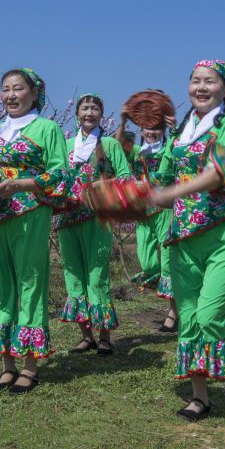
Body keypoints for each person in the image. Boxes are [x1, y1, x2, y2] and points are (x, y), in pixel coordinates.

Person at [149, 60, 225, 421]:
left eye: (210, 81)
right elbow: (161, 176)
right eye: (195, 81)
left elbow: (220, 173)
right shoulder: (178, 135)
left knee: (209, 314)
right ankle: (200, 396)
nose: (201, 87)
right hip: (183, 236)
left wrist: (172, 191)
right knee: (189, 317)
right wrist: (127, 196)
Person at [0, 68, 69, 394]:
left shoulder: (47, 129)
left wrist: (21, 183)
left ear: (34, 93)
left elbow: (61, 174)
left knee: (31, 283)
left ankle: (30, 365)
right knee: (2, 286)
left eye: (18, 88)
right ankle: (7, 364)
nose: (11, 95)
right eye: (5, 89)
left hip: (31, 211)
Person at [56, 93, 131, 356]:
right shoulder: (65, 145)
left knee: (97, 277)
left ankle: (104, 336)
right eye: (84, 108)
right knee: (73, 276)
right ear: (77, 113)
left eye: (94, 109)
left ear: (101, 114)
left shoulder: (110, 144)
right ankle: (85, 335)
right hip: (67, 218)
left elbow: (124, 177)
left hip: (97, 219)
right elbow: (54, 176)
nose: (89, 113)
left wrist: (98, 188)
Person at [117, 107, 178, 333]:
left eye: (156, 128)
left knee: (168, 262)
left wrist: (173, 129)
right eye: (147, 128)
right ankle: (180, 297)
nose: (151, 132)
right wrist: (123, 121)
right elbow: (116, 147)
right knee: (149, 264)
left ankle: (173, 313)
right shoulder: (135, 152)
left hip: (165, 209)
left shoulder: (168, 149)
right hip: (143, 213)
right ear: (141, 130)